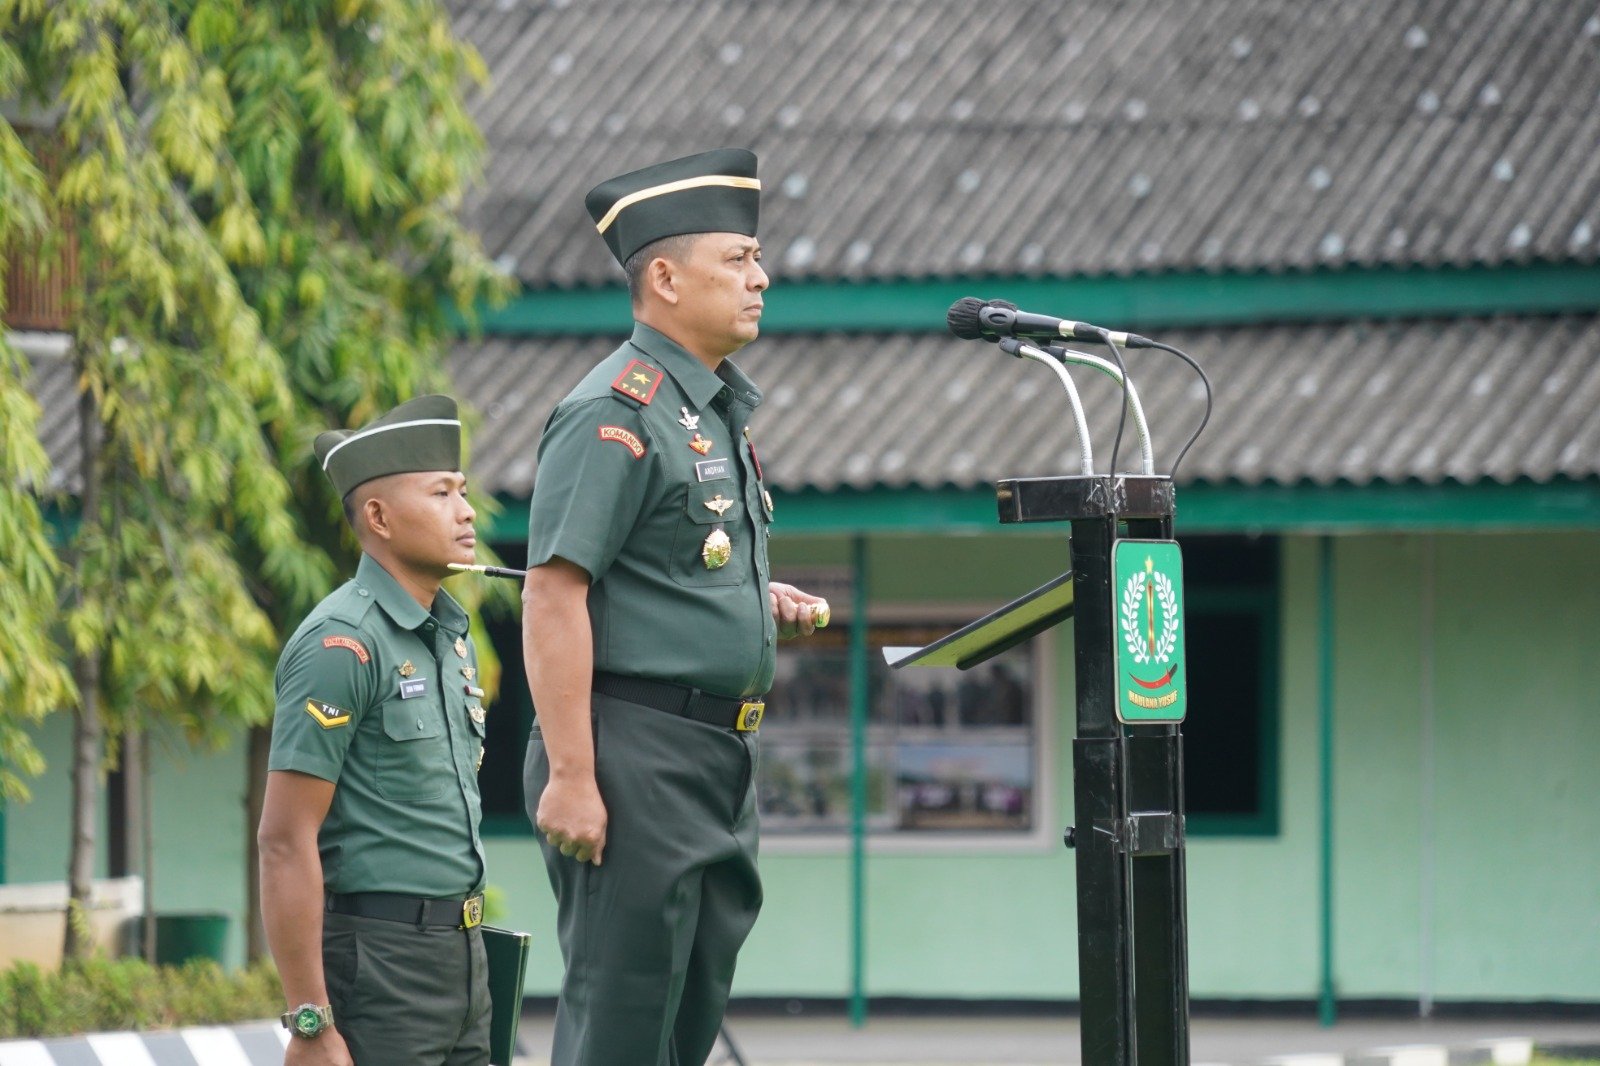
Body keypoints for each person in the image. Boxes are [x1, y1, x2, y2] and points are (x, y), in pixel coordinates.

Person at [522, 147, 827, 1066]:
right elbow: (553, 592)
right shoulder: (615, 410)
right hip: (632, 753)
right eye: (738, 259)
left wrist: (748, 602)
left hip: (714, 756)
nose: (760, 278)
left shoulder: (710, 411)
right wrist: (572, 776)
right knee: (622, 1024)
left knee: (683, 1025)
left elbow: (659, 565)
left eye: (757, 258)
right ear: (664, 277)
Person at [258, 395, 491, 1066]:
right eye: (441, 493)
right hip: (380, 963)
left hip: (464, 958)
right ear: (379, 517)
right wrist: (310, 1021)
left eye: (463, 491)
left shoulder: (447, 638)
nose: (467, 511)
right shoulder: (342, 644)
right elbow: (283, 840)